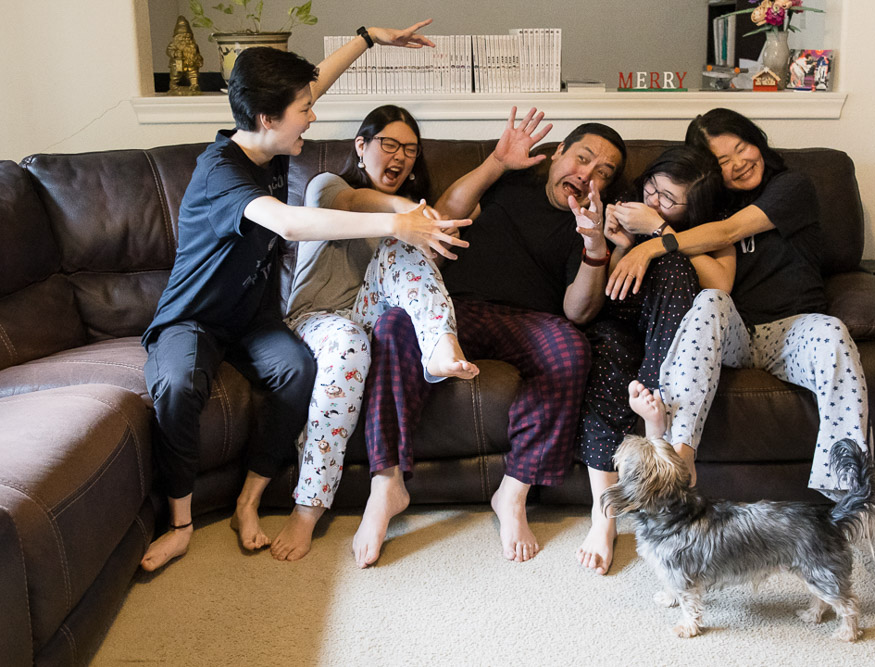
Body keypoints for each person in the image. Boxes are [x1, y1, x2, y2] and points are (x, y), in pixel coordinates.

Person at [139, 20, 464, 572]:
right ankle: (180, 524)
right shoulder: (221, 172)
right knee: (176, 384)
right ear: (268, 118)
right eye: (303, 111)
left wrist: (366, 38)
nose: (312, 116)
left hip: (255, 318)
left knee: (295, 371)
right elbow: (288, 224)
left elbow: (314, 85)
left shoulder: (272, 145)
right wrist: (395, 225)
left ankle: (249, 502)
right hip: (194, 319)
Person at [353, 107, 627, 567]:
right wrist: (498, 161)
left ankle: (513, 494)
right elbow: (446, 217)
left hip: (527, 321)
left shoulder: (594, 221)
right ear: (557, 152)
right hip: (455, 308)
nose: (586, 176)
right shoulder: (513, 177)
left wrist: (595, 247)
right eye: (581, 159)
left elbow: (577, 313)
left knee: (572, 351)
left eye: (602, 173)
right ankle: (386, 485)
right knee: (394, 326)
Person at [618, 107, 875, 518]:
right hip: (737, 332)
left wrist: (655, 239)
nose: (740, 162)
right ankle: (680, 459)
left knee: (831, 331)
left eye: (742, 147)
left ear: (756, 140)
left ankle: (855, 495)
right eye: (723, 160)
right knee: (709, 301)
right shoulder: (707, 210)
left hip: (792, 330)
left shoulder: (791, 187)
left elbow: (729, 233)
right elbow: (716, 281)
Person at [271, 105, 477, 561]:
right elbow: (353, 204)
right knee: (349, 341)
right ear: (361, 147)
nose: (401, 156)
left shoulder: (407, 222)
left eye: (410, 149)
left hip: (369, 311)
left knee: (398, 247)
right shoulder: (328, 185)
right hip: (319, 320)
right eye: (389, 144)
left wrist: (422, 226)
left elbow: (419, 260)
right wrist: (405, 215)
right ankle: (307, 508)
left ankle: (440, 341)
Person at [575, 146, 735, 575]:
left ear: (693, 207)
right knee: (605, 363)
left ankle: (651, 401)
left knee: (678, 268)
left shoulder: (710, 227)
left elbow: (721, 285)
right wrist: (621, 243)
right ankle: (603, 515)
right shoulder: (621, 203)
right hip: (619, 318)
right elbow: (604, 290)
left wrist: (659, 233)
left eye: (668, 199)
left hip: (670, 336)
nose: (652, 201)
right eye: (652, 187)